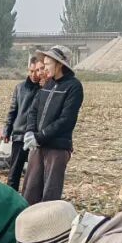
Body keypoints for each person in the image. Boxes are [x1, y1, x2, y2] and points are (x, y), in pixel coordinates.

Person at [23, 45, 84, 204]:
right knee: (30, 190)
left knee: (50, 193)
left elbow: (66, 120)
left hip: (57, 148)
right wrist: (30, 131)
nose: (44, 68)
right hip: (38, 146)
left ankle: (48, 220)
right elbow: (33, 111)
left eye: (48, 64)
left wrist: (40, 136)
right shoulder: (47, 84)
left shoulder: (73, 87)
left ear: (60, 64)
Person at [0, 54, 43, 189]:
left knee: (35, 172)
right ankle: (10, 194)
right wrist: (7, 130)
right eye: (31, 71)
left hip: (37, 136)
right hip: (20, 133)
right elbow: (13, 111)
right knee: (14, 171)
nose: (34, 74)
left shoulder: (45, 88)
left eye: (36, 71)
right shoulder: (20, 88)